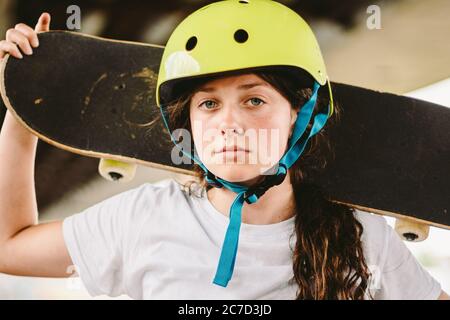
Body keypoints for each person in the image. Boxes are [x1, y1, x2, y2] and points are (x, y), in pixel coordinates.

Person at [0, 1, 448, 300]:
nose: (229, 122)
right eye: (209, 104)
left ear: (300, 114)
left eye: (254, 100)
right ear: (188, 122)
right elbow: (10, 248)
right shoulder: (144, 219)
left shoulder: (358, 232)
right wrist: (25, 108)